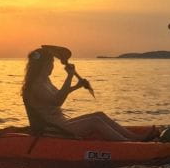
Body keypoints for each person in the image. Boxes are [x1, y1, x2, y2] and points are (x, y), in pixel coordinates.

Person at [21, 47, 156, 141]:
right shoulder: (35, 85)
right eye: (50, 63)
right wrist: (70, 76)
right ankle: (127, 144)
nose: (52, 66)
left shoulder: (45, 80)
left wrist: (76, 86)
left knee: (99, 114)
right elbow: (57, 101)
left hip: (61, 124)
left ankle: (133, 138)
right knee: (95, 121)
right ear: (44, 65)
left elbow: (57, 95)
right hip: (53, 130)